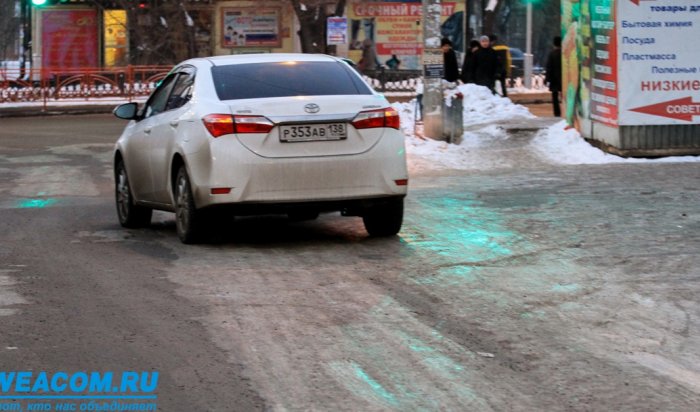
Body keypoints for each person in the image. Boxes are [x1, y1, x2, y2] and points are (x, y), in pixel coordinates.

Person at [545, 36, 563, 117]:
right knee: (565, 96)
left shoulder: (552, 54)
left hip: (554, 80)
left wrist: (547, 79)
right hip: (563, 78)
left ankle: (557, 113)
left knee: (555, 98)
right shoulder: (565, 53)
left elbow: (549, 67)